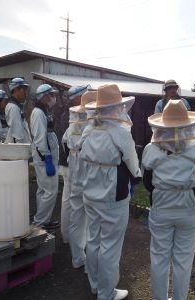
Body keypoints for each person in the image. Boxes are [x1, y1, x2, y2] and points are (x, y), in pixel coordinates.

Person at [77, 84, 141, 300]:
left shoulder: (89, 129)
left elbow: (79, 151)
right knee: (111, 246)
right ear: (116, 108)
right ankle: (106, 292)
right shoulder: (120, 133)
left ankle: (95, 284)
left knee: (93, 239)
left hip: (90, 192)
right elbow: (133, 164)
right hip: (113, 194)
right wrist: (136, 177)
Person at [142, 100, 195, 300]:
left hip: (161, 206)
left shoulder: (150, 150)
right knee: (183, 259)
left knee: (159, 257)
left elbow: (147, 181)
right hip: (188, 208)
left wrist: (164, 188)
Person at [64, 90, 96, 269]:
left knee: (77, 216)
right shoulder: (93, 127)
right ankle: (90, 267)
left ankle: (77, 258)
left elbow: (64, 143)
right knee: (92, 221)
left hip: (74, 173)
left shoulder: (72, 126)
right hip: (90, 175)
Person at [60, 85, 90, 244]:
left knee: (72, 203)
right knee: (72, 204)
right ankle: (69, 238)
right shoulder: (72, 116)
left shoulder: (71, 114)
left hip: (70, 163)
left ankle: (71, 238)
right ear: (78, 98)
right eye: (85, 96)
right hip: (71, 164)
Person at [30, 84, 60, 230]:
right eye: (51, 95)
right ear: (44, 96)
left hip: (45, 156)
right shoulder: (38, 113)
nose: (53, 98)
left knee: (43, 190)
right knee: (50, 190)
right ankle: (41, 222)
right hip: (44, 158)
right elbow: (40, 138)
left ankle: (42, 219)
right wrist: (47, 158)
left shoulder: (43, 111)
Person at [5, 77, 32, 143]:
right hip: (18, 148)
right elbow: (17, 134)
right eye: (24, 90)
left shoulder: (17, 106)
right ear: (16, 89)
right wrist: (20, 150)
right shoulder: (13, 108)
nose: (26, 93)